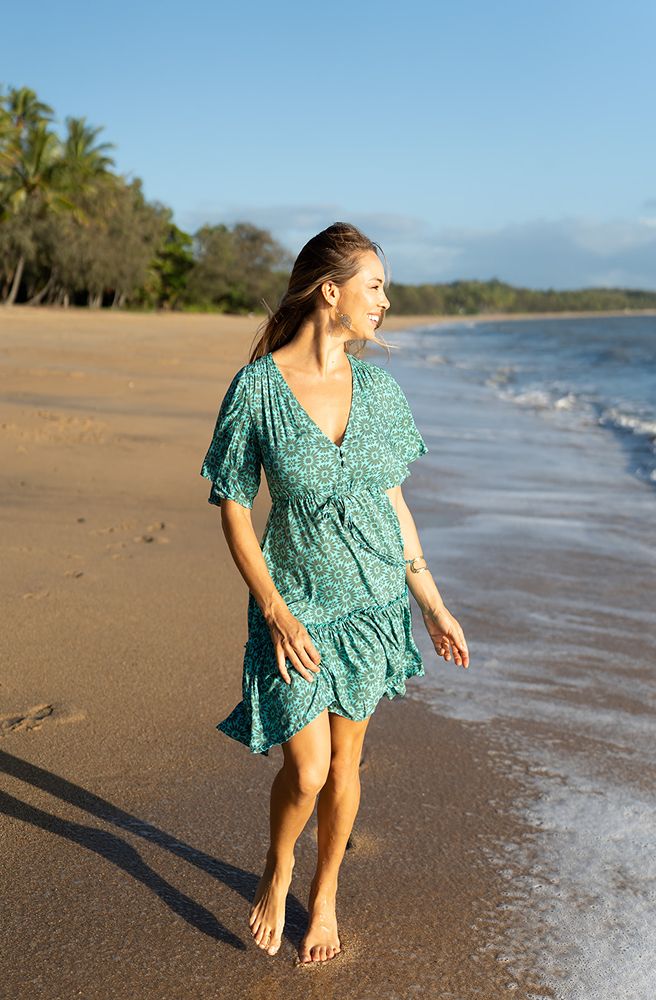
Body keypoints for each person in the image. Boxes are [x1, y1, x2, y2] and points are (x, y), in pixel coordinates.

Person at [200, 222, 469, 965]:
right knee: (308, 768)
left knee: (346, 767)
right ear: (331, 290)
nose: (386, 300)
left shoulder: (380, 390)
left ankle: (325, 895)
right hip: (298, 607)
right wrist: (275, 610)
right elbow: (232, 505)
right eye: (375, 285)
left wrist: (433, 602)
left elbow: (394, 506)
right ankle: (278, 865)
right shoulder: (258, 388)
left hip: (373, 604)